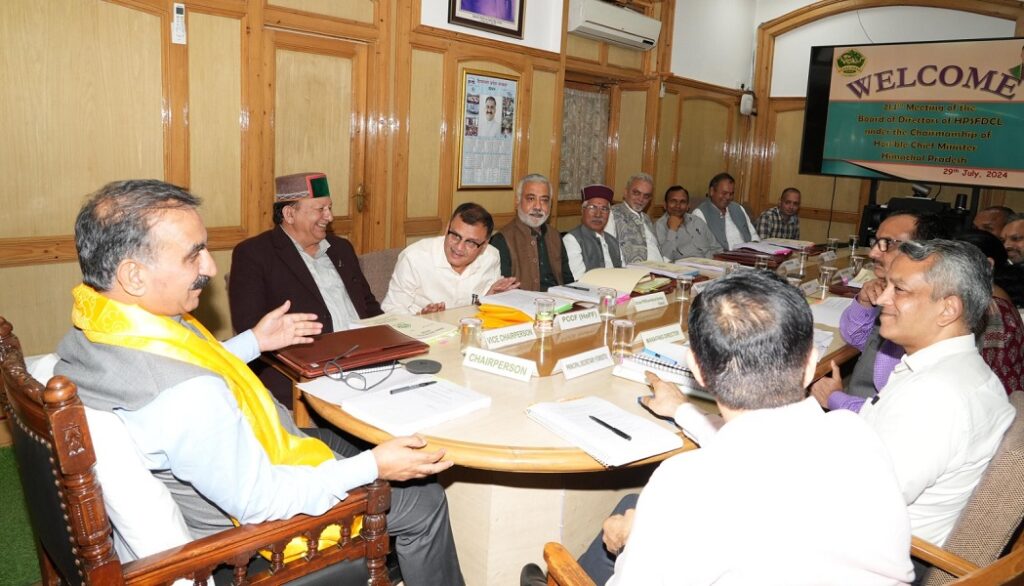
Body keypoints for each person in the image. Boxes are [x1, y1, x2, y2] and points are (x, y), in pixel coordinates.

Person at [54, 180, 464, 585]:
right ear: (134, 275)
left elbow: (192, 363)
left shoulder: (103, 326)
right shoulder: (186, 396)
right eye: (193, 255)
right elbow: (264, 502)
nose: (210, 268)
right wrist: (373, 466)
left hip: (256, 454)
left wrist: (255, 341)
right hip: (253, 539)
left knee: (349, 438)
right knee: (424, 499)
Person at [523, 271, 915, 585]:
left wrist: (631, 540)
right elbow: (760, 458)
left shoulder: (684, 483)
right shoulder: (857, 434)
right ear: (811, 363)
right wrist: (682, 411)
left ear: (696, 369)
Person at [856, 240, 1014, 547]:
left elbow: (863, 502)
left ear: (947, 309)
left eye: (899, 290)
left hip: (880, 551)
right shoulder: (962, 371)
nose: (883, 298)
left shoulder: (934, 398)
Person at [229, 172, 382, 404]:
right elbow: (250, 328)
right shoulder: (254, 254)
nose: (329, 216)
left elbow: (368, 306)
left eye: (329, 208)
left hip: (366, 361)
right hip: (306, 372)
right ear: (289, 214)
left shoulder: (341, 248)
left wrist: (390, 339)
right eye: (320, 209)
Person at [811, 211, 947, 410]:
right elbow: (857, 338)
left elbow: (894, 417)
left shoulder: (930, 316)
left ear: (923, 251)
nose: (873, 253)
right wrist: (864, 303)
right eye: (876, 242)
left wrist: (836, 399)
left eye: (887, 244)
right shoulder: (899, 294)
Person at [381, 202, 518, 314]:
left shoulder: (491, 257)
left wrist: (491, 298)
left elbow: (481, 308)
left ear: (484, 245)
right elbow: (391, 311)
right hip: (420, 335)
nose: (459, 247)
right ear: (447, 229)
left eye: (470, 242)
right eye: (455, 236)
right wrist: (421, 320)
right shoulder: (414, 258)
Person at [488, 174, 572, 292]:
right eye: (531, 199)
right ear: (517, 201)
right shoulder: (501, 240)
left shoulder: (555, 235)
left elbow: (568, 281)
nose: (538, 207)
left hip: (559, 300)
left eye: (544, 200)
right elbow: (501, 291)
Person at [562, 184, 623, 281]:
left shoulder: (613, 241)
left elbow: (623, 272)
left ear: (609, 213)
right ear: (582, 210)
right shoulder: (572, 240)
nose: (598, 214)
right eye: (592, 207)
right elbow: (579, 280)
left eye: (604, 209)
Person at [692, 172, 760, 250]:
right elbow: (701, 247)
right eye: (724, 193)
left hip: (747, 254)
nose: (728, 197)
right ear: (712, 191)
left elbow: (753, 235)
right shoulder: (699, 214)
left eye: (731, 194)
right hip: (720, 256)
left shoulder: (738, 208)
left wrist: (754, 247)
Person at [605, 173, 664, 264]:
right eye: (636, 193)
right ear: (625, 192)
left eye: (646, 196)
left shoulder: (647, 219)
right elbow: (607, 251)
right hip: (632, 271)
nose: (641, 199)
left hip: (660, 268)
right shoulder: (612, 214)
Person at [653, 185, 721, 260]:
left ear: (688, 206)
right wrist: (672, 230)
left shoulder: (696, 221)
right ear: (665, 205)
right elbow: (664, 258)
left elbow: (717, 248)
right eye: (673, 201)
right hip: (685, 266)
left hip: (711, 263)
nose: (678, 206)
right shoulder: (659, 226)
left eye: (682, 202)